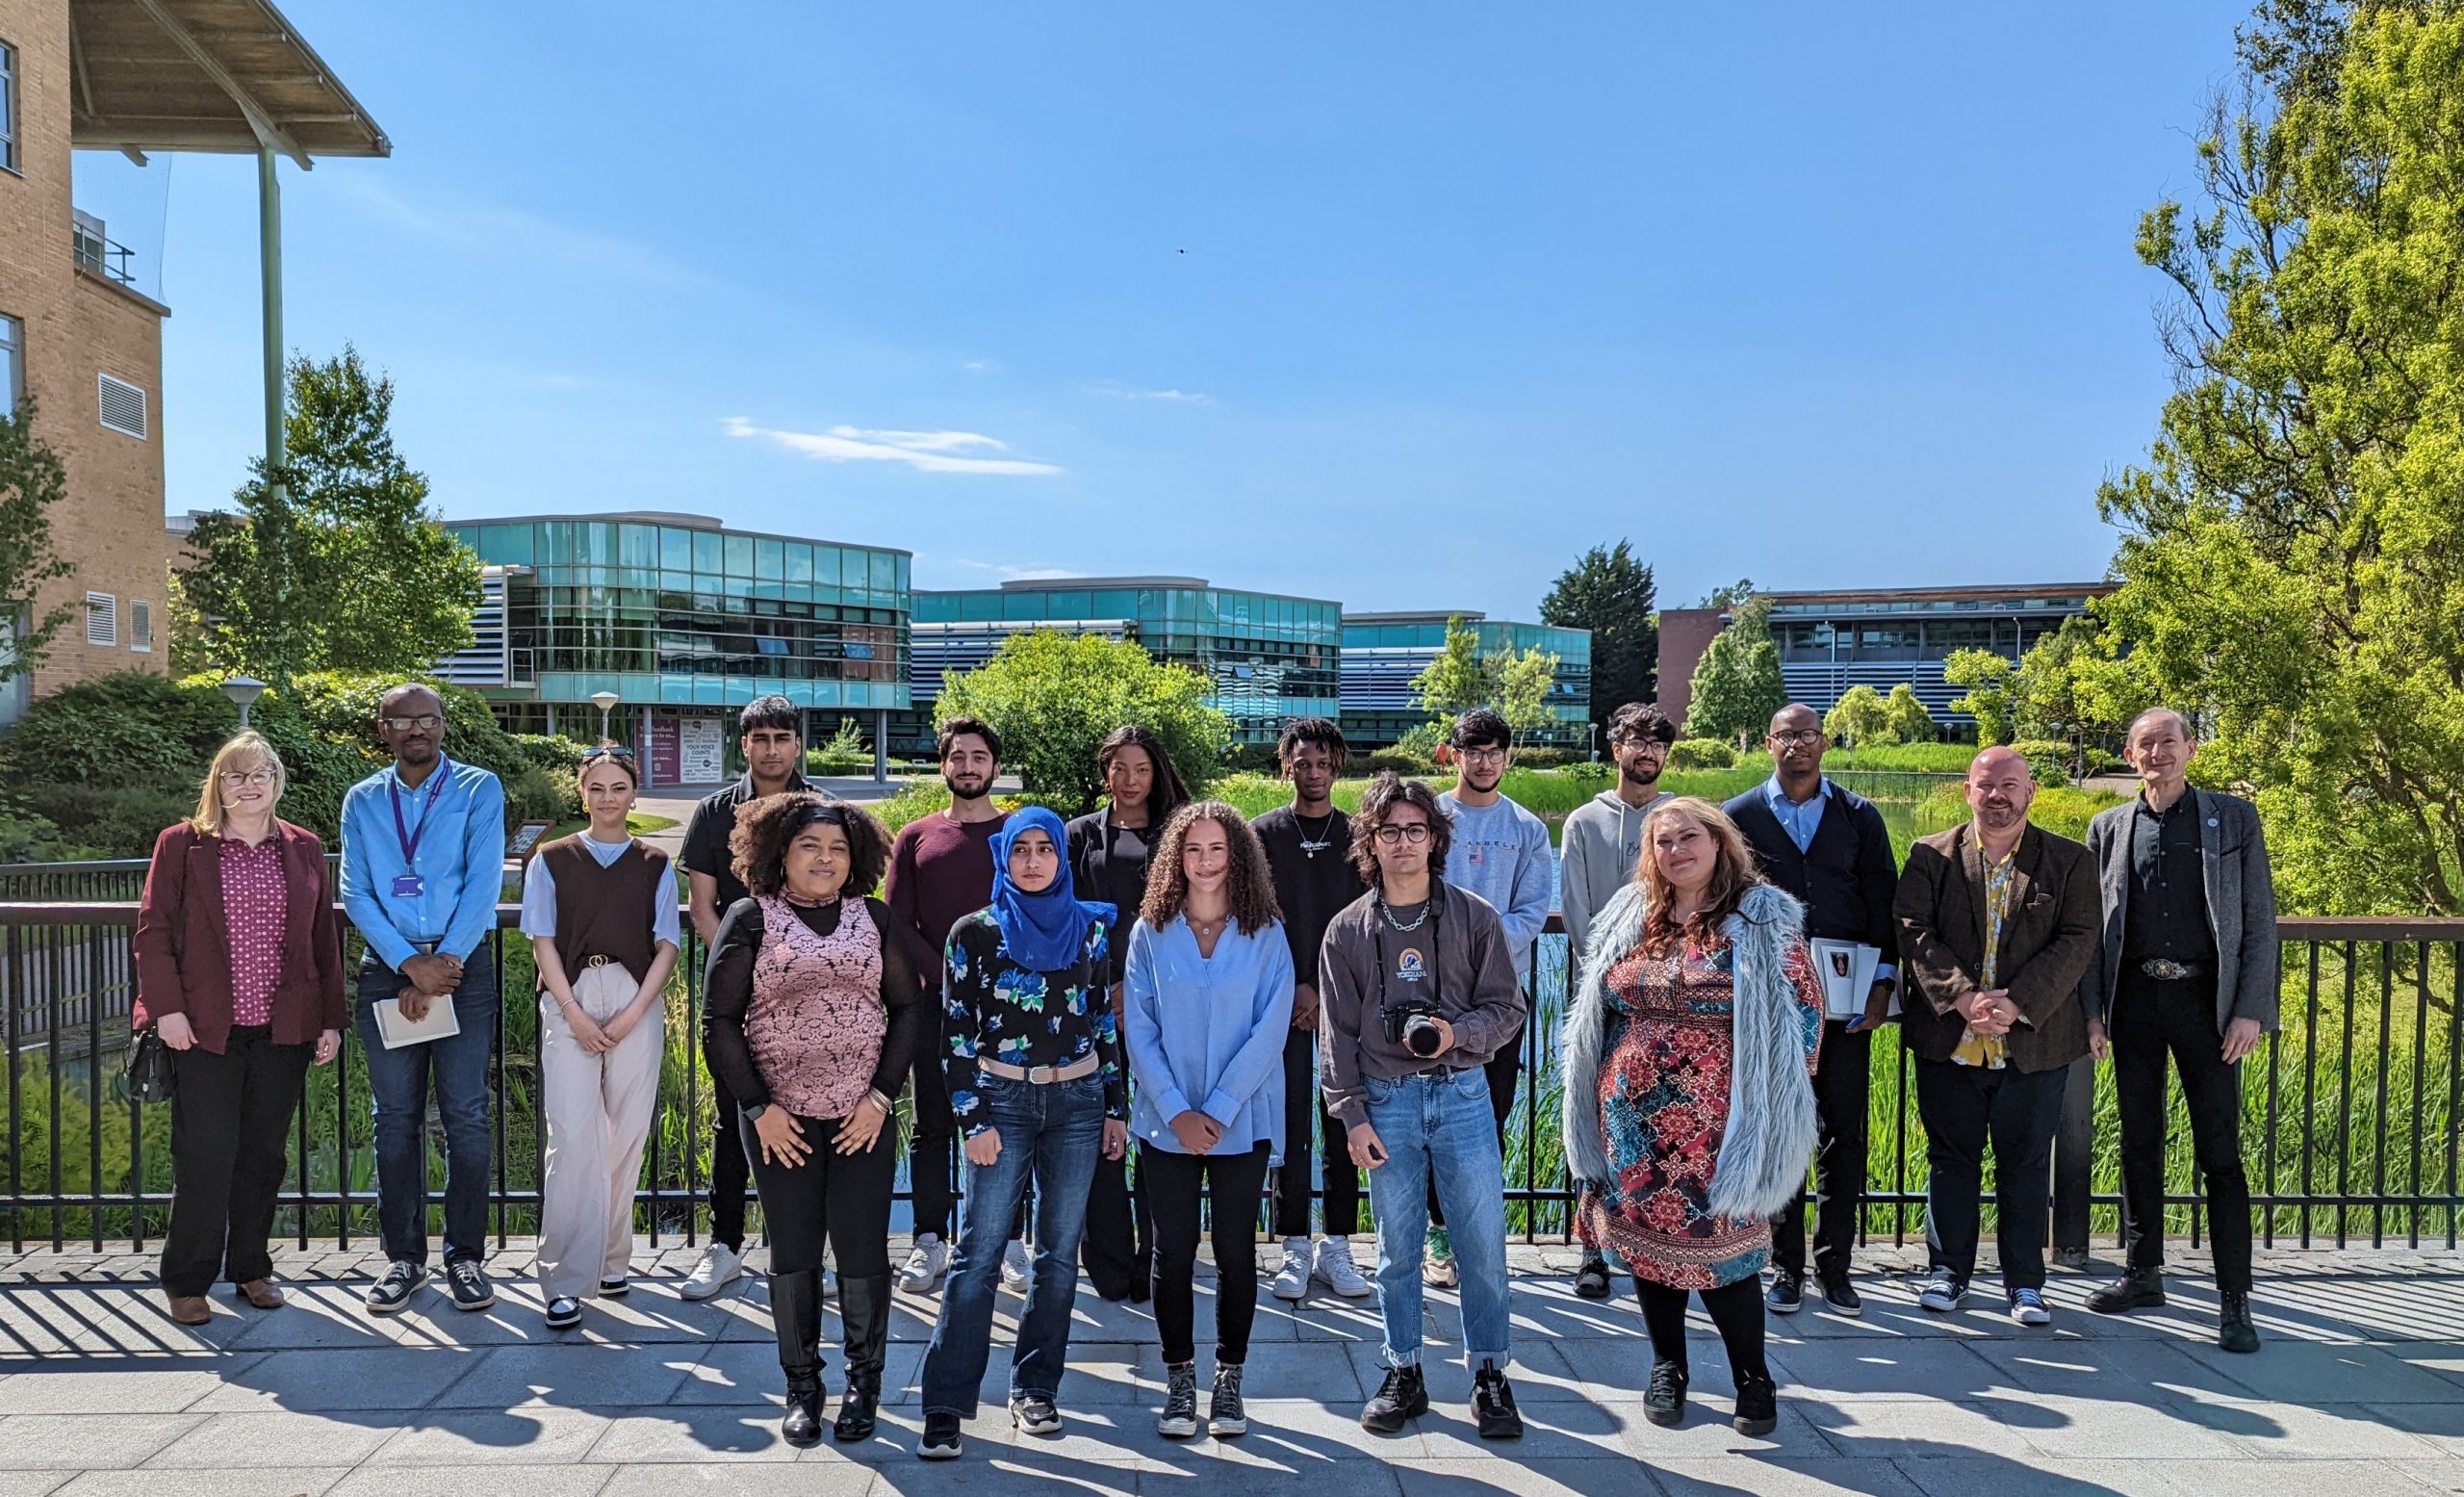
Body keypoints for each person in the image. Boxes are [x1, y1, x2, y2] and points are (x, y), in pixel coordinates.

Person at [1561, 797, 1822, 1437]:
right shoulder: (1631, 914)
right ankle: (1667, 1367)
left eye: (1689, 836)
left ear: (1718, 840)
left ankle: (1752, 1377)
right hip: (1632, 1121)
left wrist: (1778, 1102)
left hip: (1721, 1121)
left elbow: (1804, 1013)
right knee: (1649, 1252)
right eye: (1662, 841)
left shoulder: (1759, 916)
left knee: (1724, 1255)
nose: (1676, 850)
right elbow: (1602, 1005)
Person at [704, 794, 924, 1445]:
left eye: (836, 848)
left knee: (861, 1251)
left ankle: (864, 1384)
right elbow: (719, 1021)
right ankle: (803, 1386)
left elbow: (907, 1009)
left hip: (864, 1115)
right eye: (810, 846)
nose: (824, 858)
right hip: (781, 1120)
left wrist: (882, 1096)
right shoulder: (750, 917)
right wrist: (758, 1107)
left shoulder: (874, 918)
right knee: (794, 1251)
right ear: (781, 852)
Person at [915, 807, 1129, 1461]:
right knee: (978, 1253)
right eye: (1022, 849)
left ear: (1062, 858)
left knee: (1058, 1254)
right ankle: (946, 1403)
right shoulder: (973, 934)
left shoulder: (1090, 928)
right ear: (1003, 857)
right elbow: (952, 1032)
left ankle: (1036, 1387)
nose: (1033, 860)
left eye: (1046, 849)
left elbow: (1102, 1020)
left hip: (1079, 1098)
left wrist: (1115, 1105)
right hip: (1002, 1097)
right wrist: (972, 1118)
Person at [1320, 772, 1528, 1441]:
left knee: (1482, 1246)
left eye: (1416, 829)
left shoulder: (1474, 915)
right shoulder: (1347, 930)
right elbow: (1338, 1036)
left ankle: (1490, 1372)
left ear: (1435, 838)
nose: (1404, 842)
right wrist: (1351, 1115)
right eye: (1390, 831)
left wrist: (1455, 1033)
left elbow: (1508, 1008)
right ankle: (1402, 1368)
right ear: (1370, 842)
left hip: (1463, 1092)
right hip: (1387, 1101)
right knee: (1395, 1249)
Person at [2081, 708, 2276, 1354]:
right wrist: (2091, 1012)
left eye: (2169, 741)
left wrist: (2251, 1008)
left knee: (2220, 1152)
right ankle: (2143, 1272)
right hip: (2135, 997)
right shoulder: (2107, 826)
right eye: (2145, 743)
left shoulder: (2233, 819)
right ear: (2129, 755)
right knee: (2138, 1142)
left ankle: (2234, 1297)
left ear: (2190, 748)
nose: (2158, 752)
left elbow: (2258, 921)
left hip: (2207, 1003)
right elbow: (2089, 932)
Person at [135, 732, 346, 1327]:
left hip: (283, 1030)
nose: (248, 786)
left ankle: (251, 1268)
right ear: (217, 785)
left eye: (260, 775)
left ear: (277, 783)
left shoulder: (303, 847)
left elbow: (321, 942)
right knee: (204, 1153)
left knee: (262, 1156)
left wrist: (330, 1018)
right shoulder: (183, 845)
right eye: (235, 775)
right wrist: (165, 1009)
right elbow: (153, 933)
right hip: (204, 1030)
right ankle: (187, 1279)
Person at [1895, 746, 2099, 1327]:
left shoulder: (2068, 861)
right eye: (1986, 785)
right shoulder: (1929, 856)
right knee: (1950, 1160)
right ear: (1968, 791)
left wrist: (2017, 1002)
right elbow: (1913, 930)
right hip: (1949, 1039)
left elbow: (2079, 938)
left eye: (2010, 785)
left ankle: (2025, 1285)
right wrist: (1962, 998)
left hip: (2032, 1042)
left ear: (2030, 792)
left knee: (2026, 1164)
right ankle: (1948, 1272)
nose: (1997, 796)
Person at [1124, 801, 1295, 1440]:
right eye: (1192, 849)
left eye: (1216, 849)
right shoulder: (1151, 929)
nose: (1204, 861)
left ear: (1238, 855)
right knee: (1169, 1251)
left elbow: (1269, 1029)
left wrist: (1218, 1110)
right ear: (1176, 856)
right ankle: (1178, 1378)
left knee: (1234, 1252)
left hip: (1239, 1120)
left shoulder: (1266, 931)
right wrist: (1175, 1109)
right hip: (1165, 1120)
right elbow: (1139, 1029)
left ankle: (1228, 1379)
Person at [1725, 703, 1900, 1318]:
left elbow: (1884, 901)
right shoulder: (1738, 817)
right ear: (1768, 743)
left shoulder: (1859, 816)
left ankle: (1836, 1266)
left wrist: (1883, 984)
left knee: (1843, 1136)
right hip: (1772, 1006)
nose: (1796, 744)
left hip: (1848, 1005)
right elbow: (1724, 908)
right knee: (1779, 1134)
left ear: (1824, 742)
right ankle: (1785, 1269)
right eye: (1784, 735)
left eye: (1807, 734)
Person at [339, 684, 507, 1315]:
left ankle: (465, 1257)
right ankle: (404, 1258)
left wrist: (444, 965)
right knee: (394, 1119)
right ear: (382, 729)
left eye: (427, 719)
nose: (417, 730)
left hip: (464, 965)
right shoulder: (362, 800)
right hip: (389, 968)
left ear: (442, 725)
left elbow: (484, 882)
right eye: (403, 720)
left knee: (466, 1113)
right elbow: (356, 893)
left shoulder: (477, 788)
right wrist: (409, 965)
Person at [521, 745, 680, 1331]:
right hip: (572, 995)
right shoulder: (552, 859)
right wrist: (573, 1013)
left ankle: (613, 1260)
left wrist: (635, 1011)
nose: (608, 798)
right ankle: (563, 1278)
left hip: (636, 996)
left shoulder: (655, 862)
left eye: (619, 787)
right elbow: (540, 939)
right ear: (581, 793)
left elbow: (667, 944)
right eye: (597, 787)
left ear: (633, 795)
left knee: (626, 1134)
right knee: (571, 1136)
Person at [680, 695, 814, 1301]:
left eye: (782, 737)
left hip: (811, 991)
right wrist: (746, 965)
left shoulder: (820, 811)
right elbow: (702, 908)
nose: (771, 749)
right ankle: (726, 1245)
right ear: (744, 745)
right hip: (739, 994)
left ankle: (808, 1250)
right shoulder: (714, 812)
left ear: (798, 744)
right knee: (737, 1115)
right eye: (760, 738)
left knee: (815, 1111)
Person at [1424, 709, 1552, 1290]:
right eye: (1472, 751)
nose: (1483, 762)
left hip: (1501, 996)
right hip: (1429, 991)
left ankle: (1475, 1233)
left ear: (1508, 756)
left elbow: (1531, 912)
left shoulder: (1527, 829)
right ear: (1453, 754)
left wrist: (1481, 945)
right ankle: (1437, 1232)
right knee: (1428, 1113)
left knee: (1489, 1116)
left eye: (1494, 751)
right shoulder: (1430, 818)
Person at [1060, 725, 1188, 1301]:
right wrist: (1103, 987)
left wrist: (1138, 988)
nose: (1130, 780)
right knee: (1099, 1132)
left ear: (1157, 772)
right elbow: (1063, 918)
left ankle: (1158, 1259)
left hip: (1169, 1005)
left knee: (1160, 1132)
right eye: (1119, 769)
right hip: (1094, 1006)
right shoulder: (1078, 835)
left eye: (1141, 769)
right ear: (1104, 772)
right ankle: (1109, 1263)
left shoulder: (1183, 833)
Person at [1557, 700, 1678, 1299]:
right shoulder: (1584, 821)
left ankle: (1651, 1244)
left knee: (1657, 1121)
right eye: (1638, 741)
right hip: (1599, 995)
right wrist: (1604, 976)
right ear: (1617, 748)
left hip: (1667, 999)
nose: (1648, 753)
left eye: (1658, 744)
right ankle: (1591, 1250)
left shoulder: (1678, 823)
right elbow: (1577, 913)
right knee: (1592, 1119)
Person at [884, 716, 1008, 1295]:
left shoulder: (1015, 836)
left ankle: (1005, 1240)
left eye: (978, 757)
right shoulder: (916, 836)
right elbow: (896, 922)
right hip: (937, 1003)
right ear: (943, 767)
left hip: (1011, 1006)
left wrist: (993, 983)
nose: (967, 766)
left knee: (1009, 1122)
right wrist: (948, 977)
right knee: (933, 1123)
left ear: (995, 767)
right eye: (957, 757)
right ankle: (930, 1240)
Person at [1252, 718, 1374, 1303]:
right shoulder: (1262, 835)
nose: (1314, 772)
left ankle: (1338, 1246)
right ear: (1286, 767)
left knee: (1340, 1124)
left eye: (1323, 762)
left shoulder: (1359, 835)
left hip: (1344, 1006)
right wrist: (1296, 988)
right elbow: (1251, 922)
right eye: (1302, 762)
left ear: (1337, 766)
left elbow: (1370, 925)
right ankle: (1294, 1245)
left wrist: (1326, 992)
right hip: (1279, 1003)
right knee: (1287, 1125)